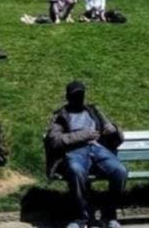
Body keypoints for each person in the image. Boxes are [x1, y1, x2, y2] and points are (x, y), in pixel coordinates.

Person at [45, 81, 127, 228]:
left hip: (98, 150)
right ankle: (80, 218)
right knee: (76, 171)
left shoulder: (93, 110)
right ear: (68, 97)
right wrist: (83, 135)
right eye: (76, 95)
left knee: (120, 171)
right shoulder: (61, 116)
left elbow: (117, 135)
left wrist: (113, 128)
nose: (79, 98)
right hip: (75, 152)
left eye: (81, 94)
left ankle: (109, 216)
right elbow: (54, 141)